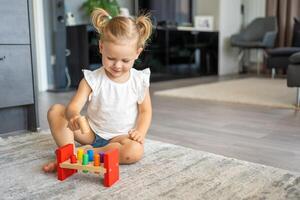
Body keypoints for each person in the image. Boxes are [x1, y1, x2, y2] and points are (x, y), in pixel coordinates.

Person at [43, 8, 153, 172]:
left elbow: (145, 111)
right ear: (101, 47)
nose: (117, 65)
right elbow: (73, 106)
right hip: (90, 133)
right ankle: (69, 151)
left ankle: (86, 154)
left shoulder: (139, 80)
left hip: (120, 137)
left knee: (134, 151)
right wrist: (73, 116)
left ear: (137, 53)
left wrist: (140, 132)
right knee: (56, 111)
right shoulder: (92, 79)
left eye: (125, 60)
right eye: (111, 58)